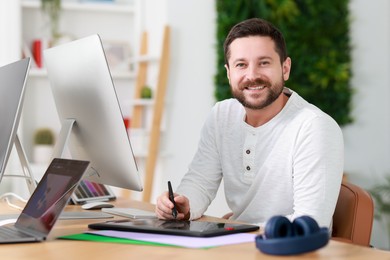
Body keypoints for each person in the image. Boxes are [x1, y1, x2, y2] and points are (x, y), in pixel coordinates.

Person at [155, 18, 344, 228]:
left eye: (264, 63)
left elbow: (310, 223)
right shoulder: (221, 115)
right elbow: (200, 181)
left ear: (285, 68)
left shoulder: (314, 127)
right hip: (238, 243)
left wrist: (238, 229)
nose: (252, 75)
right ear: (229, 73)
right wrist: (183, 206)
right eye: (241, 65)